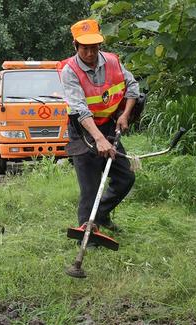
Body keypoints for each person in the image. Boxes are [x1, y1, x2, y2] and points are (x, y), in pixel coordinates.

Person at [58, 19, 139, 234]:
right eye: (85, 48)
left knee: (125, 177)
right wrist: (99, 139)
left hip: (109, 126)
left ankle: (100, 216)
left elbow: (132, 86)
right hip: (82, 130)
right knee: (90, 187)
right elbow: (81, 110)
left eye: (94, 47)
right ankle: (86, 232)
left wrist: (125, 114)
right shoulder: (70, 71)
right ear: (75, 46)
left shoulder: (112, 61)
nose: (91, 53)